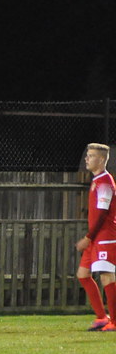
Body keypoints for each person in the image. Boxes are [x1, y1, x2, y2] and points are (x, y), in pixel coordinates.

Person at [75, 142, 116, 331]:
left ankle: (114, 322)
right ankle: (101, 317)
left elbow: (102, 213)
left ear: (100, 160)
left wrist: (88, 238)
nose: (86, 159)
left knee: (107, 277)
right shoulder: (97, 180)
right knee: (83, 275)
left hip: (105, 237)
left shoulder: (106, 182)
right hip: (95, 238)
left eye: (90, 156)